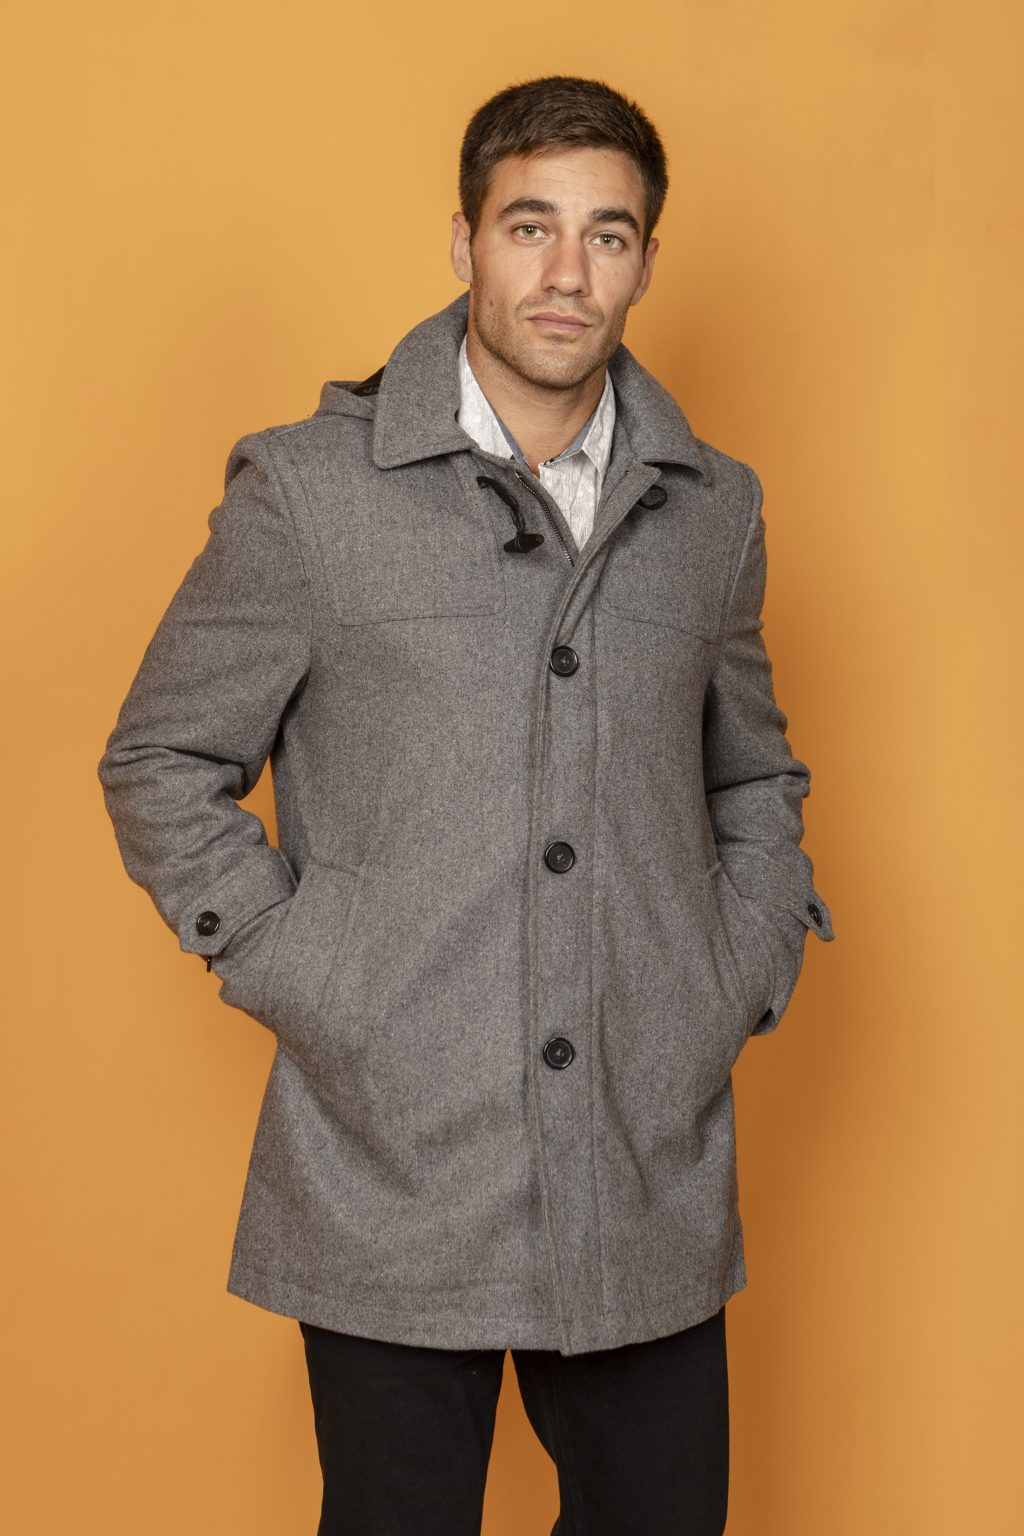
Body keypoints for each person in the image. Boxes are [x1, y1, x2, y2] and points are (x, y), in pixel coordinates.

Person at [98, 73, 835, 1536]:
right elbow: (160, 759)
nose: (567, 273)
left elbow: (751, 769)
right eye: (529, 226)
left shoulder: (716, 510)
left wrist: (735, 966)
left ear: (646, 262)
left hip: (641, 1145)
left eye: (607, 235)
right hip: (392, 1154)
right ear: (465, 241)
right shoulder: (310, 493)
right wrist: (314, 969)